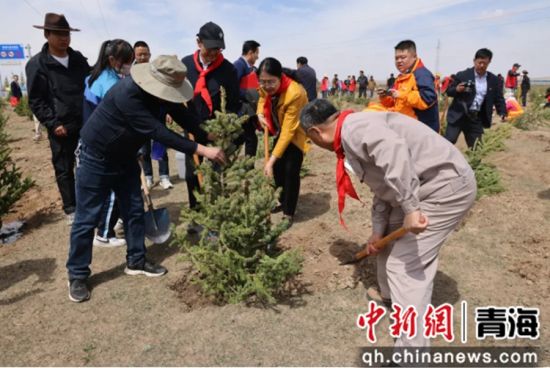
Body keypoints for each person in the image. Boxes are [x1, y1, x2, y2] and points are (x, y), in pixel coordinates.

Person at [300, 98, 476, 348]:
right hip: (422, 185)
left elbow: (395, 153)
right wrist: (377, 232)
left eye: (311, 140)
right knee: (389, 243)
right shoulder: (351, 132)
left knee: (404, 266)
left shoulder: (354, 130)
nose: (314, 144)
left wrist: (412, 208)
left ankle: (410, 358)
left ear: (316, 132)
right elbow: (383, 186)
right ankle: (391, 296)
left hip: (445, 188)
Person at [67, 55, 226, 302]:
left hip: (126, 156)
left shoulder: (163, 94)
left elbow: (184, 117)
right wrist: (204, 150)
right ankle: (77, 275)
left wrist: (207, 134)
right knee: (87, 218)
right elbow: (159, 132)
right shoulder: (128, 95)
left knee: (133, 210)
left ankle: (136, 260)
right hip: (96, 157)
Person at [26, 13, 90, 224]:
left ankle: (88, 202)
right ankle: (71, 208)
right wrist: (53, 123)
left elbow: (90, 82)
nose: (64, 38)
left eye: (67, 34)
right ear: (47, 34)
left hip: (84, 121)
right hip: (61, 126)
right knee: (64, 168)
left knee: (88, 164)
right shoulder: (38, 64)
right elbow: (36, 100)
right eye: (59, 34)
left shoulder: (78, 59)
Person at [181, 21, 240, 214]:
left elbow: (233, 103)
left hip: (217, 132)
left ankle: (217, 214)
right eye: (211, 48)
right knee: (192, 174)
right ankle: (196, 211)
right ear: (199, 43)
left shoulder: (228, 70)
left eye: (218, 48)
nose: (214, 53)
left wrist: (222, 128)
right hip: (191, 128)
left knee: (217, 173)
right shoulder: (185, 65)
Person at [83, 39, 134, 248]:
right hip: (108, 143)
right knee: (113, 190)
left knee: (102, 190)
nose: (129, 66)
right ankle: (104, 233)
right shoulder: (111, 83)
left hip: (91, 139)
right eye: (127, 61)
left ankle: (104, 227)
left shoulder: (92, 77)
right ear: (113, 59)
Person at [257, 57, 309, 224]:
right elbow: (261, 96)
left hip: (296, 132)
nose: (266, 86)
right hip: (280, 129)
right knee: (279, 170)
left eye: (271, 82)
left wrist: (270, 161)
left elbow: (289, 131)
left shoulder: (295, 93)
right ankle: (281, 200)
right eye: (263, 81)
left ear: (280, 77)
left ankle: (289, 212)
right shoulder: (266, 85)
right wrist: (260, 114)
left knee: (290, 171)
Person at [444, 48, 506, 149]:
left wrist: (502, 112)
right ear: (474, 61)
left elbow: (499, 98)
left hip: (475, 118)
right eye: (479, 62)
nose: (481, 66)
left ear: (489, 62)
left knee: (476, 148)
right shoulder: (463, 75)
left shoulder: (493, 80)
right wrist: (457, 89)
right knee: (448, 142)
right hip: (458, 115)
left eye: (485, 63)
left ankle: (473, 165)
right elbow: (449, 91)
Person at [134, 41, 174, 190]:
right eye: (139, 54)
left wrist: (168, 111)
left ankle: (164, 177)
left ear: (150, 55)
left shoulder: (156, 71)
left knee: (161, 145)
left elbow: (164, 92)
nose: (143, 57)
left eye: (145, 54)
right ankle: (148, 177)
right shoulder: (131, 73)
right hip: (140, 117)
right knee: (144, 150)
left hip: (158, 114)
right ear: (135, 55)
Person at [378, 40, 439, 132]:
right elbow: (395, 102)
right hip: (404, 127)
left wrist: (402, 95)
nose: (399, 61)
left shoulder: (422, 75)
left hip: (422, 131)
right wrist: (385, 96)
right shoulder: (402, 77)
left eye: (403, 57)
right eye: (396, 58)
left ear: (414, 57)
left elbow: (427, 100)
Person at [233, 40, 261, 157]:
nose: (258, 57)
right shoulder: (239, 65)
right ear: (250, 52)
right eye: (256, 53)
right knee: (247, 138)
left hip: (249, 109)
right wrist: (249, 94)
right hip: (241, 110)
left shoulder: (250, 67)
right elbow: (233, 87)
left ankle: (247, 166)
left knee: (249, 138)